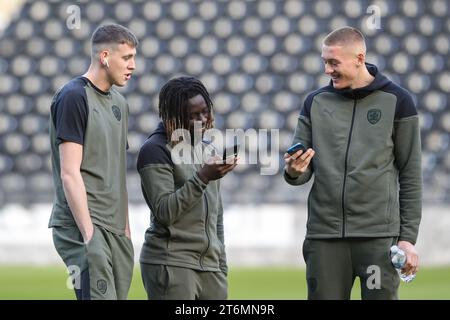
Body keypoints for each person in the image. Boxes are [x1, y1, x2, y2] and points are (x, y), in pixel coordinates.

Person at [284, 26, 422, 300]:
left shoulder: (398, 101)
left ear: (359, 58)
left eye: (333, 62)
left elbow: (410, 173)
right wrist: (293, 170)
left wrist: (407, 238)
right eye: (325, 62)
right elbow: (298, 172)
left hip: (377, 239)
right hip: (324, 238)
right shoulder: (315, 102)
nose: (327, 69)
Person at [48, 24, 138, 300]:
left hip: (115, 230)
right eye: (126, 58)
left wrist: (126, 232)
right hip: (83, 226)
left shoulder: (120, 103)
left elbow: (117, 171)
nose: (133, 66)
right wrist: (89, 236)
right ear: (104, 57)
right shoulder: (74, 97)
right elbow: (69, 173)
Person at [137, 76, 237, 300]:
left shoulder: (206, 148)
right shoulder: (155, 150)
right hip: (172, 263)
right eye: (193, 115)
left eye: (205, 111)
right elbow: (164, 212)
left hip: (211, 268)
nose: (203, 120)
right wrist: (203, 177)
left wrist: (220, 264)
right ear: (172, 116)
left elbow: (216, 215)